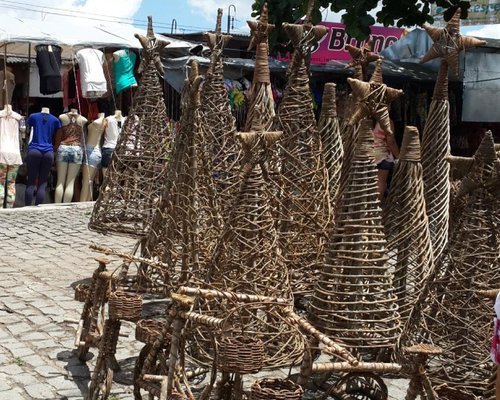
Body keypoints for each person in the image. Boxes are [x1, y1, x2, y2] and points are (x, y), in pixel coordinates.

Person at [25, 107, 61, 206]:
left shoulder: (33, 116)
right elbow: (58, 134)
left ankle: (27, 206)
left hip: (34, 150)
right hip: (48, 152)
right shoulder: (55, 120)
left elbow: (27, 129)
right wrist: (55, 148)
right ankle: (38, 206)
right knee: (42, 182)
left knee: (31, 180)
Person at [53, 109, 87, 203]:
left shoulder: (62, 117)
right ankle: (65, 205)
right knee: (70, 182)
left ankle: (57, 205)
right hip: (76, 149)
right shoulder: (83, 119)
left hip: (63, 147)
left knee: (60, 180)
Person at [0, 103, 23, 207]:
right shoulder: (18, 117)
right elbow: (23, 133)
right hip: (15, 153)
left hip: (1, 152)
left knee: (1, 183)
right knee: (11, 183)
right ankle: (9, 207)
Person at [80, 113, 106, 201]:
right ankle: (87, 203)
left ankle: (81, 205)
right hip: (97, 151)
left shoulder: (99, 122)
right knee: (89, 182)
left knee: (85, 182)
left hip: (91, 151)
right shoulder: (104, 122)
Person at [373, 118, 399, 202]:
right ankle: (375, 207)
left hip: (366, 154)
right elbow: (391, 142)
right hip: (382, 155)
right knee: (380, 182)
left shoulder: (363, 119)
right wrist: (398, 156)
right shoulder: (386, 121)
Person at [102, 110, 126, 175]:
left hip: (108, 147)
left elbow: (101, 130)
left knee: (106, 172)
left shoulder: (108, 119)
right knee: (117, 172)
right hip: (120, 149)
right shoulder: (125, 120)